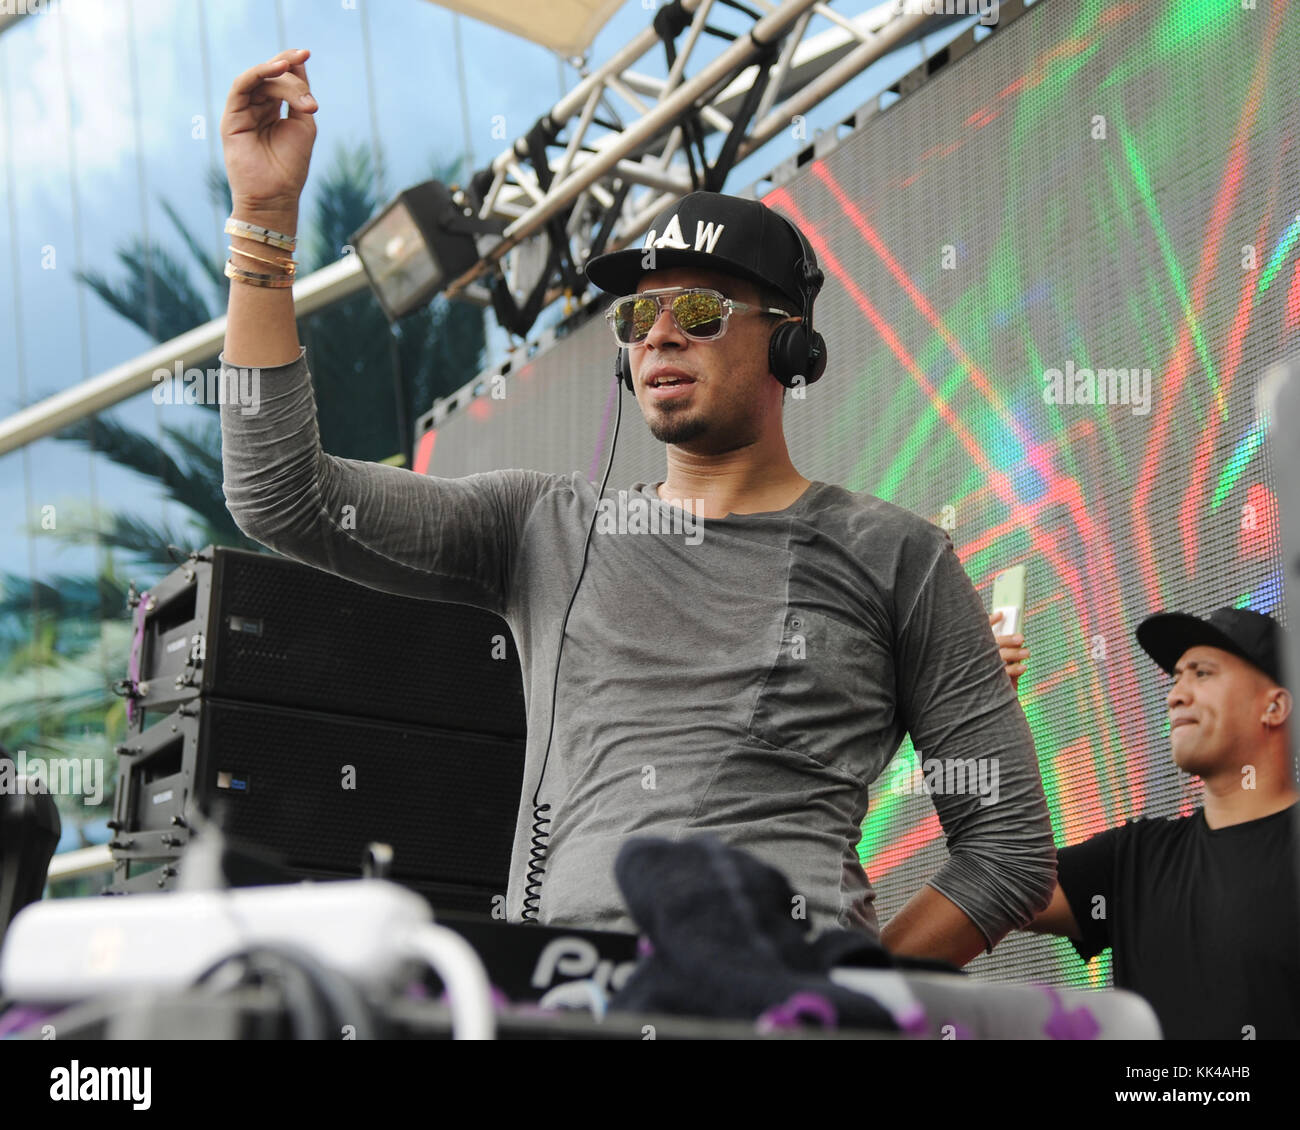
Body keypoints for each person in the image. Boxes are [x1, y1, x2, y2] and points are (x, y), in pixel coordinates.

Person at [216, 49, 1056, 964]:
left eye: (697, 308)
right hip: (567, 999)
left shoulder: (900, 556)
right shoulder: (541, 528)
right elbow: (280, 494)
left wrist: (858, 1000)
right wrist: (263, 225)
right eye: (636, 317)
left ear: (791, 347)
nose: (656, 332)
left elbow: (1007, 848)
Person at [1019, 607, 1300, 1038]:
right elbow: (1000, 875)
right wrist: (986, 712)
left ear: (1274, 706)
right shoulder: (1133, 859)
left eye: (1202, 674)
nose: (1176, 695)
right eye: (1176, 678)